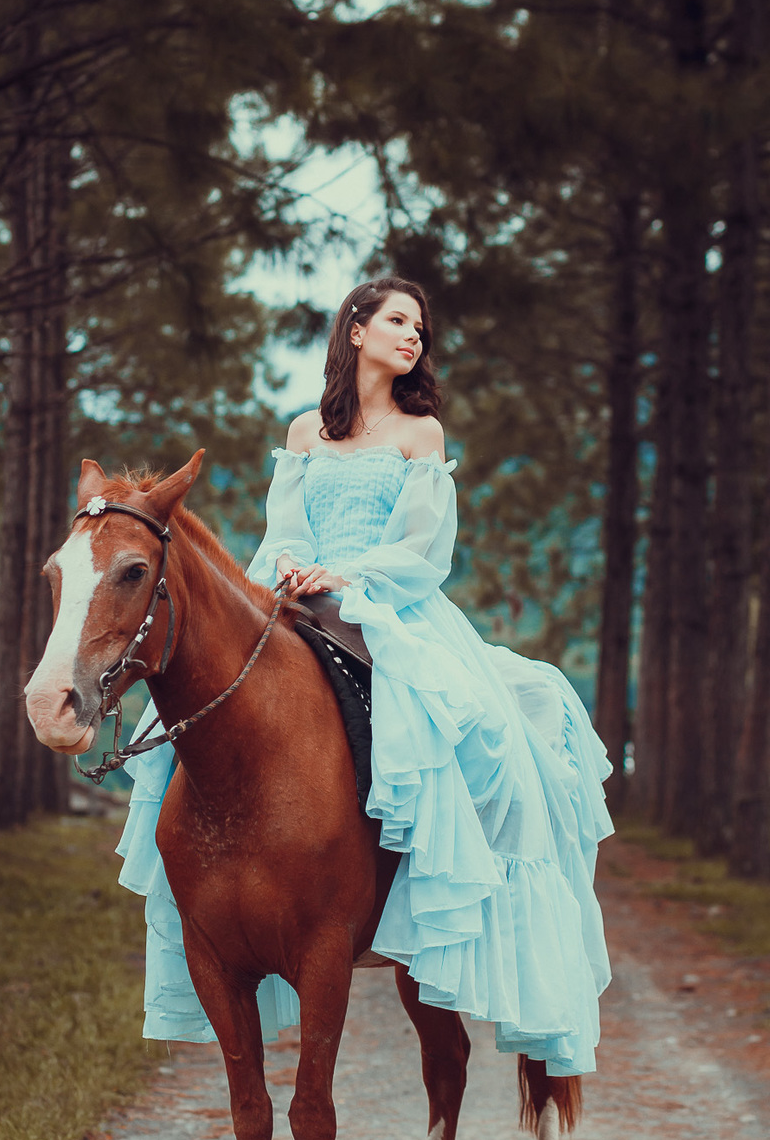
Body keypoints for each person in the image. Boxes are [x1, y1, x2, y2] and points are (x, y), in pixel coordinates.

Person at [117, 275, 614, 1076]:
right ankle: (200, 880)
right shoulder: (305, 430)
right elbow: (283, 528)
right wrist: (290, 571)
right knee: (200, 715)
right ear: (355, 329)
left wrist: (345, 578)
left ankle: (431, 885)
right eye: (396, 320)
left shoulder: (423, 434)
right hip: (296, 602)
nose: (413, 336)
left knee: (464, 726)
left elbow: (423, 547)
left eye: (419, 326)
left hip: (387, 608)